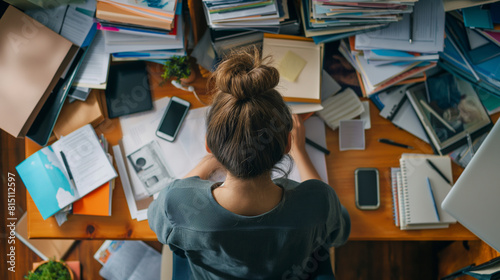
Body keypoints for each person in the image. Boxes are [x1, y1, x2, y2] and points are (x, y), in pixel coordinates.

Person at [148, 48, 350, 279]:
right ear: (287, 144)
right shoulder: (317, 201)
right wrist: (300, 152)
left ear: (208, 145)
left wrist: (212, 160)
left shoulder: (177, 204)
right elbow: (339, 234)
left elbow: (158, 226)